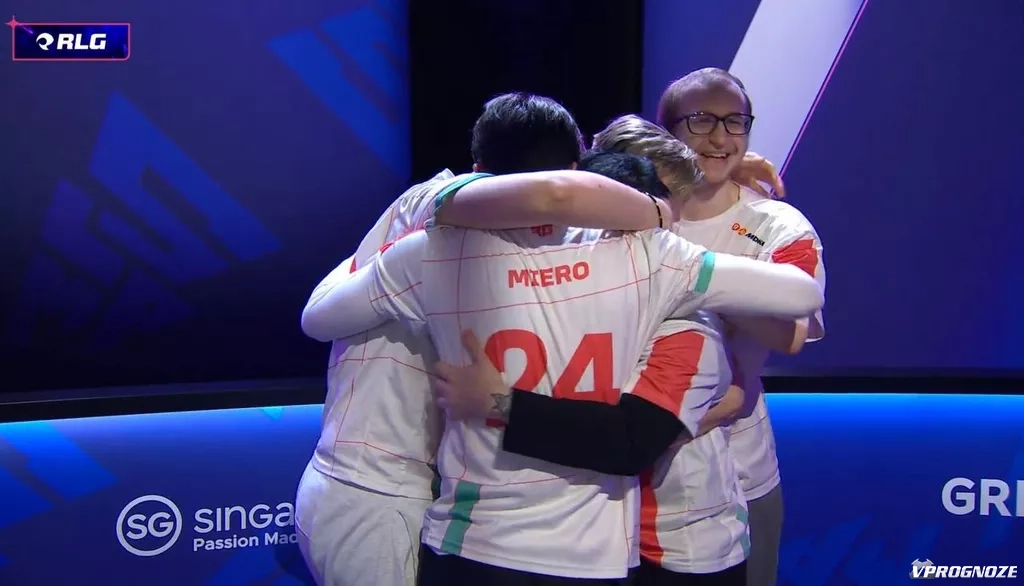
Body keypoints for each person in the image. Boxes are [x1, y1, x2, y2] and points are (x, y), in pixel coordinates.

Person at [302, 100, 824, 585]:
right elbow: (798, 295)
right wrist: (662, 226)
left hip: (475, 535)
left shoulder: (429, 251)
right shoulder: (654, 259)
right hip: (491, 526)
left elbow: (319, 317)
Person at [434, 147, 758, 586]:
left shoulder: (686, 326)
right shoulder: (538, 297)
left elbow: (629, 441)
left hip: (680, 548)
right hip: (600, 542)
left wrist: (499, 402)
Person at [655, 68, 828, 586]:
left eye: (735, 122)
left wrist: (690, 281)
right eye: (701, 120)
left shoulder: (778, 226)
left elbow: (790, 333)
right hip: (628, 477)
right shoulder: (631, 211)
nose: (720, 137)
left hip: (737, 475)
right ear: (666, 131)